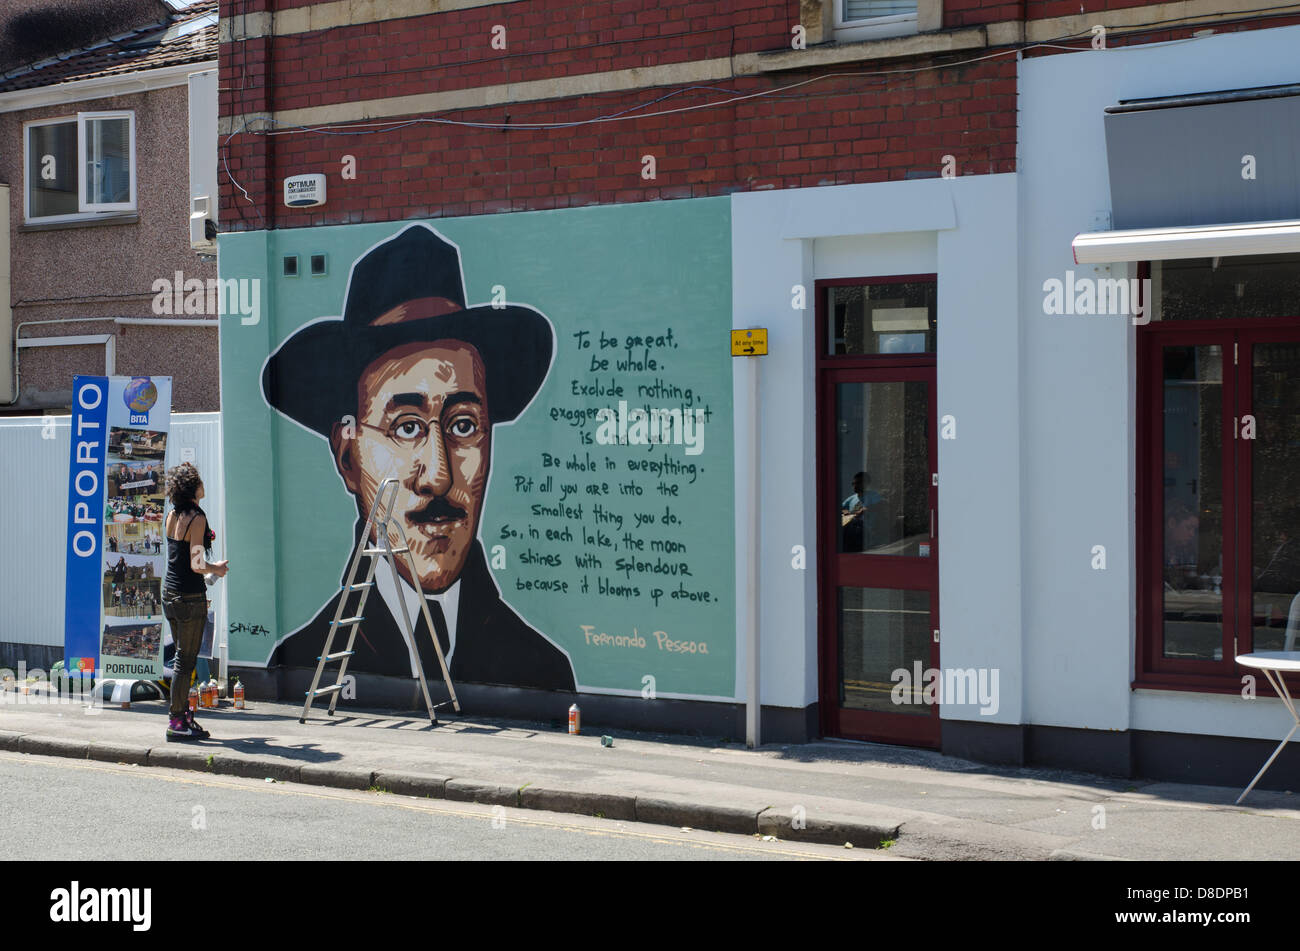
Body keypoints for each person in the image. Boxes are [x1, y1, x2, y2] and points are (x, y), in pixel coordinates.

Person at [263, 224, 575, 692]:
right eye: (406, 427)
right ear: (349, 458)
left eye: (464, 425)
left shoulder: (543, 671)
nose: (439, 475)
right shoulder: (306, 661)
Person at [162, 462, 228, 741]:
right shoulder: (197, 518)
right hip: (189, 598)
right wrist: (218, 569)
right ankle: (177, 721)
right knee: (184, 662)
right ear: (193, 488)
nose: (204, 485)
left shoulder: (172, 515)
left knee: (182, 659)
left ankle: (184, 715)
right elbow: (197, 564)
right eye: (199, 481)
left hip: (169, 594)